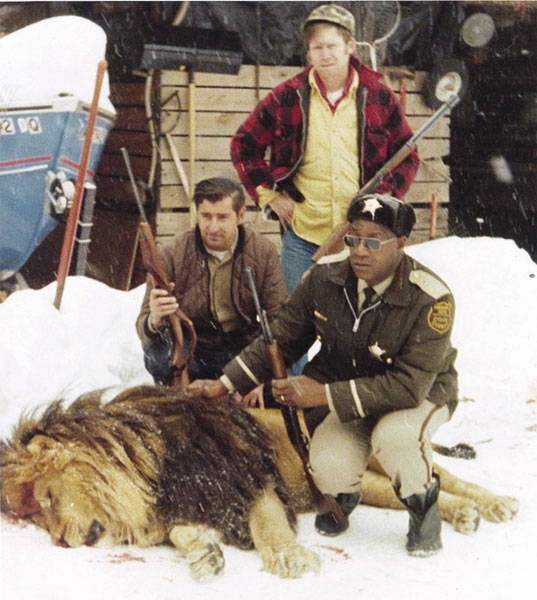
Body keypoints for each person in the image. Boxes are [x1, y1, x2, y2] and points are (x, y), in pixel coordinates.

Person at [189, 193, 458, 557]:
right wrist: (223, 385)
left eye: (374, 241)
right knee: (328, 468)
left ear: (402, 245)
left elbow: (409, 387)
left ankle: (422, 507)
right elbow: (281, 340)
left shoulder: (430, 298)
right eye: (353, 238)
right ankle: (344, 494)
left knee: (395, 439)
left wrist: (322, 396)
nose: (360, 251)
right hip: (351, 393)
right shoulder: (324, 279)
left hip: (417, 395)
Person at [230, 3, 420, 295]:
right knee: (296, 326)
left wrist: (384, 198)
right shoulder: (286, 97)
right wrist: (269, 196)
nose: (325, 54)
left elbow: (408, 155)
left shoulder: (379, 96)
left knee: (359, 325)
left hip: (363, 240)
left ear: (350, 47)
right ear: (308, 53)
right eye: (317, 47)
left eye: (332, 45)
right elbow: (243, 145)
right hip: (302, 237)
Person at [136, 177, 287, 398]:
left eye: (222, 217)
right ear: (196, 212)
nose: (213, 227)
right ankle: (180, 397)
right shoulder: (171, 253)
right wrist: (155, 319)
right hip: (194, 347)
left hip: (242, 346)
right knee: (158, 357)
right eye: (206, 216)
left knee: (279, 385)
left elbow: (278, 322)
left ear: (241, 215)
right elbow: (144, 329)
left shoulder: (263, 253)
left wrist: (255, 375)